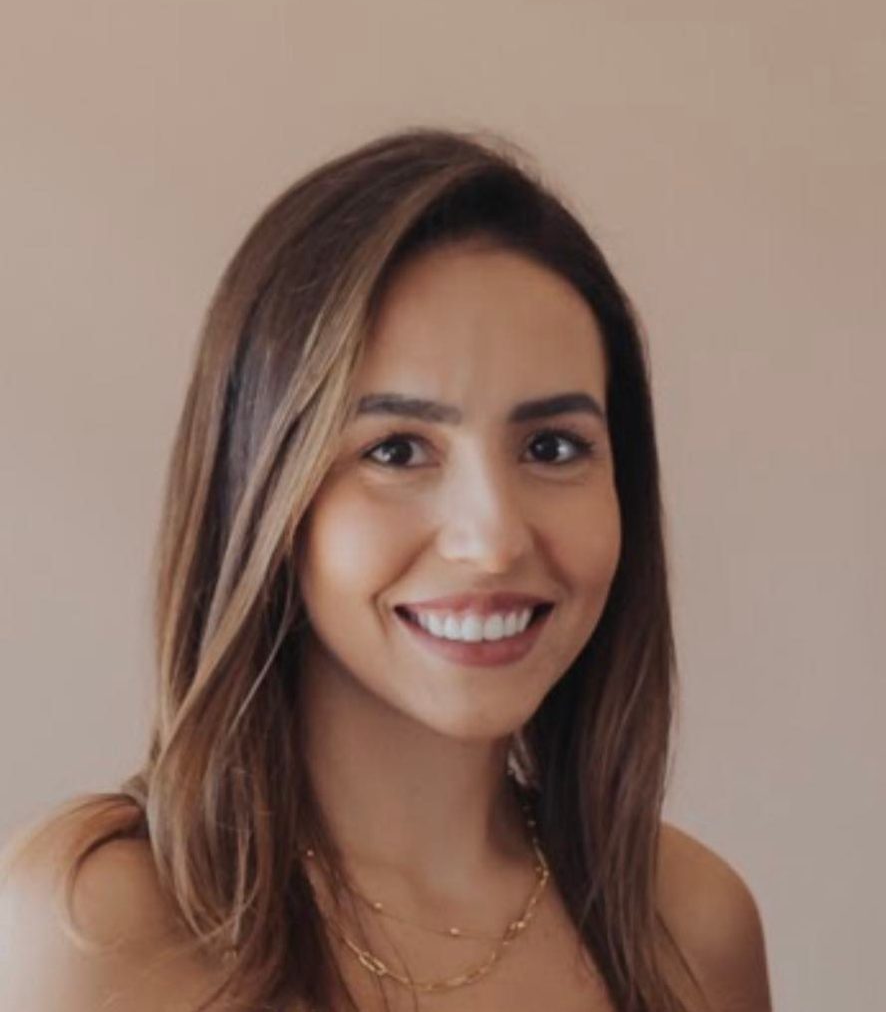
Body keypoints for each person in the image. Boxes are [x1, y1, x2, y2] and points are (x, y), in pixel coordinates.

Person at [0, 127, 771, 1012]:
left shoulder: (691, 928)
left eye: (553, 447)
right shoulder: (96, 924)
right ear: (263, 491)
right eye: (397, 449)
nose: (492, 539)